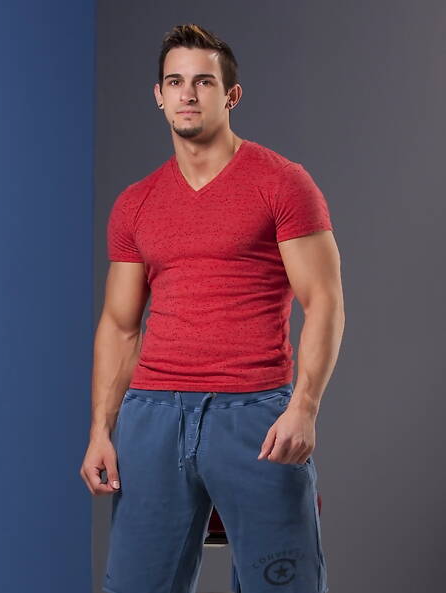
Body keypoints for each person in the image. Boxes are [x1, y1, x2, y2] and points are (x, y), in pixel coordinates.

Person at [80, 22, 345, 593]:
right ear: (159, 95)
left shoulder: (282, 183)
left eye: (203, 82)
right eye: (175, 82)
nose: (188, 94)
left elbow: (324, 301)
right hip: (152, 416)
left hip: (253, 414)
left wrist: (304, 407)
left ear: (231, 95)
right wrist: (102, 430)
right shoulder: (136, 202)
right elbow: (120, 326)